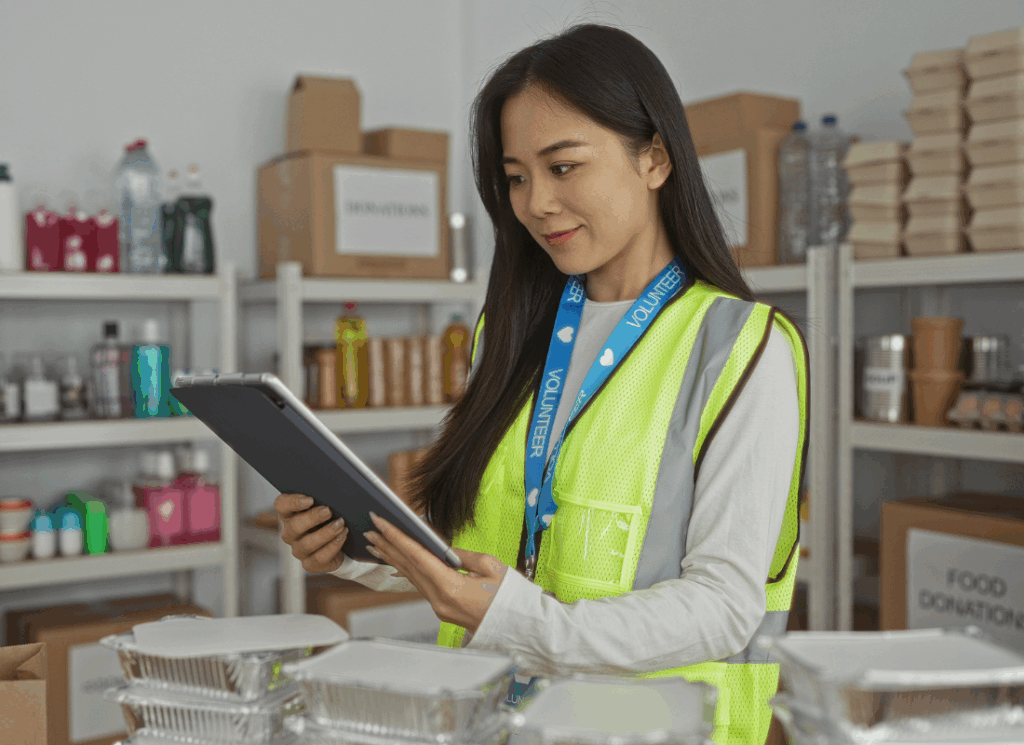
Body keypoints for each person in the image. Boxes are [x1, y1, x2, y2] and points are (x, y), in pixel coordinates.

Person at [275, 22, 808, 745]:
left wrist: (522, 621)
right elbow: (478, 548)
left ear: (655, 158)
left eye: (563, 167)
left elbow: (723, 607)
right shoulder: (513, 330)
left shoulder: (743, 348)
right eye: (517, 177)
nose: (537, 204)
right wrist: (352, 549)